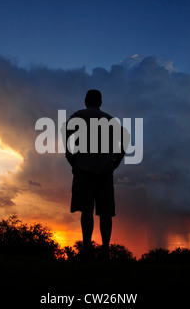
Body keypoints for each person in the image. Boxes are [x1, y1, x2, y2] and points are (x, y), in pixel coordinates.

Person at [64, 89, 129, 260]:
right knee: (105, 212)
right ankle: (105, 250)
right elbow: (124, 144)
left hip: (83, 169)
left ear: (86, 100)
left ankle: (87, 247)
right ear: (100, 102)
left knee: (87, 210)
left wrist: (74, 162)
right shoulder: (110, 120)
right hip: (105, 170)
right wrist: (114, 164)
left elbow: (68, 143)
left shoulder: (78, 116)